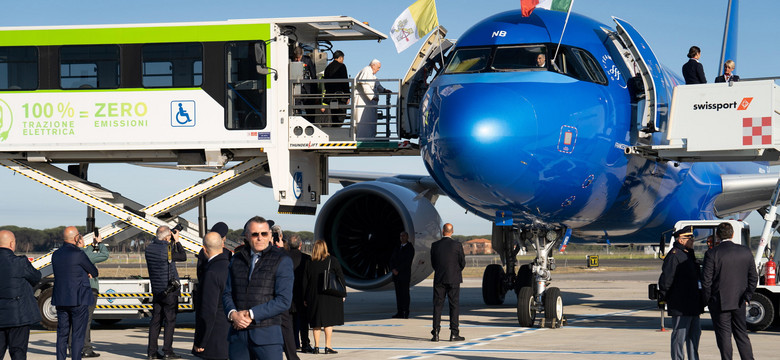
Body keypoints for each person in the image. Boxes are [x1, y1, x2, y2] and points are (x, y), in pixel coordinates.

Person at [222, 216, 293, 360]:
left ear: (269, 235)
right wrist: (233, 314)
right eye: (255, 234)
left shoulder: (282, 260)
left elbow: (284, 300)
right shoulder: (236, 259)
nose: (260, 238)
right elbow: (227, 293)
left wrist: (251, 314)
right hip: (238, 337)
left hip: (267, 338)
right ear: (247, 236)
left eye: (264, 234)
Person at [702, 222, 757, 360]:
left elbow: (706, 281)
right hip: (739, 301)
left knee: (724, 336)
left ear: (717, 236)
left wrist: (707, 300)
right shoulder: (745, 251)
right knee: (742, 334)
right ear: (732, 234)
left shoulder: (712, 253)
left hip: (720, 302)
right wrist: (747, 296)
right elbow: (753, 278)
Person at [52, 226, 99, 360]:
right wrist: (85, 272)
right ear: (75, 238)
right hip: (78, 299)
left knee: (62, 335)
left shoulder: (56, 254)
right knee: (78, 335)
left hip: (61, 299)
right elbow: (94, 272)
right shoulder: (78, 254)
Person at [658, 226, 702, 360]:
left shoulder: (688, 254)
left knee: (694, 336)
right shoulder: (674, 255)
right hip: (681, 304)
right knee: (679, 336)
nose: (693, 240)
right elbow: (666, 280)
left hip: (693, 304)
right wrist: (665, 297)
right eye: (690, 238)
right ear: (681, 240)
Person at [145, 225, 187, 360]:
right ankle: (167, 351)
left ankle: (151, 352)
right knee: (170, 321)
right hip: (169, 290)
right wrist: (177, 241)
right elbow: (183, 256)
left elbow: (160, 246)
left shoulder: (149, 248)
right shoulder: (167, 249)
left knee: (155, 320)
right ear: (167, 237)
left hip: (157, 290)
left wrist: (168, 239)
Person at [0, 230, 42, 360]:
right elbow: (36, 277)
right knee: (18, 352)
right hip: (18, 315)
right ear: (12, 243)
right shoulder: (20, 262)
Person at [192, 232, 230, 360]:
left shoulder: (211, 272)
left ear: (204, 249)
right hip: (231, 334)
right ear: (222, 245)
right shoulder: (231, 266)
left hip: (214, 338)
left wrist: (200, 340)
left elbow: (208, 311)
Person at [302, 240, 345, 354]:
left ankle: (316, 347)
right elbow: (340, 278)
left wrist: (305, 297)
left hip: (313, 295)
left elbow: (305, 282)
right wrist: (343, 294)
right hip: (329, 295)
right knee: (328, 322)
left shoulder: (309, 262)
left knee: (316, 322)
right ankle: (327, 346)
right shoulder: (333, 261)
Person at [430, 223, 465, 342]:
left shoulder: (435, 245)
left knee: (437, 306)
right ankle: (454, 333)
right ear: (452, 231)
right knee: (454, 306)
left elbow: (433, 263)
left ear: (442, 231)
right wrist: (455, 271)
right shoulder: (457, 245)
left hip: (439, 278)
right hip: (453, 279)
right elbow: (462, 263)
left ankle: (435, 333)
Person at [76, 231, 109, 358]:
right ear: (79, 242)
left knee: (76, 321)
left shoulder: (75, 253)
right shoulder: (85, 254)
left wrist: (92, 245)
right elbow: (105, 255)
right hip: (90, 290)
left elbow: (87, 252)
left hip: (77, 290)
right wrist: (100, 243)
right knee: (86, 321)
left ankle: (73, 348)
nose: (85, 242)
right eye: (83, 241)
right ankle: (86, 348)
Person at [271, 223, 300, 360]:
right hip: (278, 298)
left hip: (274, 297)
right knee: (286, 326)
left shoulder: (280, 255)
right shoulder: (283, 255)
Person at [286, 235, 313, 353]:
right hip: (302, 294)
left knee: (289, 321)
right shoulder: (306, 259)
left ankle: (292, 343)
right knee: (303, 321)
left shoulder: (282, 257)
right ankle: (305, 344)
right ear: (300, 245)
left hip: (287, 293)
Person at [354, 59, 391, 139]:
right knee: (363, 122)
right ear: (373, 65)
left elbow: (377, 85)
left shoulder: (372, 75)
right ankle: (363, 139)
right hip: (363, 103)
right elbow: (365, 85)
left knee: (370, 122)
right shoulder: (366, 70)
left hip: (370, 104)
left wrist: (384, 90)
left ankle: (370, 138)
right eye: (378, 67)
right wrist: (372, 97)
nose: (378, 70)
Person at [389, 231, 415, 319]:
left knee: (405, 294)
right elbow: (392, 259)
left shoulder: (410, 248)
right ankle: (399, 312)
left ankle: (405, 312)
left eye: (404, 236)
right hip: (396, 275)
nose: (402, 237)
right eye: (400, 236)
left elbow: (407, 262)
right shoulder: (397, 247)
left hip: (404, 275)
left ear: (407, 237)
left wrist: (398, 269)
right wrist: (393, 269)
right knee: (398, 294)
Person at [322, 50, 350, 126]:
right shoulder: (342, 66)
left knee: (333, 116)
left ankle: (334, 130)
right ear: (340, 58)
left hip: (330, 96)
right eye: (343, 59)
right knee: (341, 117)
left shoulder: (328, 67)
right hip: (340, 97)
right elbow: (345, 82)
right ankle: (337, 130)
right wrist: (348, 95)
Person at [291, 46, 317, 122]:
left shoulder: (307, 60)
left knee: (310, 109)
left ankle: (311, 123)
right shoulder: (291, 60)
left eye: (299, 57)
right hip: (296, 88)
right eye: (296, 58)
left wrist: (315, 92)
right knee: (296, 108)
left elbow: (313, 75)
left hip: (307, 89)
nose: (298, 59)